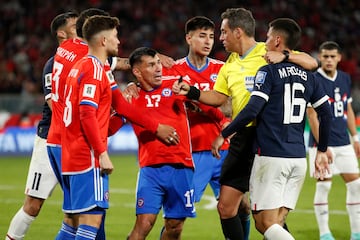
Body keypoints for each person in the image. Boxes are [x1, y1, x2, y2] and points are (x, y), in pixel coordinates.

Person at [173, 8, 318, 240]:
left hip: (268, 136)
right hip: (242, 138)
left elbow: (311, 62)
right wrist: (192, 92)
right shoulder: (229, 64)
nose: (220, 38)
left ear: (237, 32)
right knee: (226, 206)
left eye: (223, 32)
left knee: (270, 218)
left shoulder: (268, 50)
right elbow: (219, 97)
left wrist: (287, 56)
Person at [209, 17, 332, 239]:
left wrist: (224, 133)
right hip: (297, 157)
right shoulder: (310, 77)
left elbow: (251, 110)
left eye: (267, 37)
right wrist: (322, 149)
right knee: (275, 222)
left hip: (270, 155)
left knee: (264, 223)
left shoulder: (268, 71)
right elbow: (327, 113)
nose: (264, 41)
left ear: (276, 40)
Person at [5, 11, 79, 240]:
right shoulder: (53, 64)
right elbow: (55, 106)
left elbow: (117, 63)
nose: (82, 29)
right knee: (33, 205)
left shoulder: (88, 60)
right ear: (61, 33)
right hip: (50, 140)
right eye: (76, 26)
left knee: (77, 213)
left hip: (75, 144)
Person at [126, 47, 196, 240]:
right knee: (143, 224)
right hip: (151, 170)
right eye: (151, 65)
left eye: (158, 62)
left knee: (175, 227)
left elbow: (203, 103)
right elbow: (110, 127)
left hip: (182, 167)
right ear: (137, 72)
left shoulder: (176, 84)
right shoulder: (131, 96)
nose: (158, 68)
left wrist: (193, 98)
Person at [307, 41, 360, 240]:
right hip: (322, 145)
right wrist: (323, 146)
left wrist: (355, 137)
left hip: (344, 143)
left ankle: (356, 232)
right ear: (320, 57)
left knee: (356, 186)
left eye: (332, 56)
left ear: (339, 58)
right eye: (325, 56)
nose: (329, 60)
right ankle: (325, 234)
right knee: (324, 186)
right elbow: (311, 114)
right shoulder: (313, 79)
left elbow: (348, 109)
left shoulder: (345, 78)